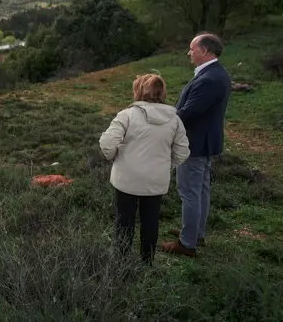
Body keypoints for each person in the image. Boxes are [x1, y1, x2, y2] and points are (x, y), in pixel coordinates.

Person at [99, 74, 190, 264]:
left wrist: (114, 158)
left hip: (126, 179)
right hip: (156, 179)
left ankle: (121, 262)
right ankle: (147, 262)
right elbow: (182, 151)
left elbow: (107, 143)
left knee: (124, 220)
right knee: (151, 220)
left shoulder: (127, 115)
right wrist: (166, 166)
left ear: (138, 91)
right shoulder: (174, 120)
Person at [161, 33, 231, 258]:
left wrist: (162, 122)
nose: (189, 53)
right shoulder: (215, 73)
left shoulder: (209, 79)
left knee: (189, 192)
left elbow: (188, 113)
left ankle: (187, 243)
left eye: (192, 49)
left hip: (194, 143)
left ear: (205, 51)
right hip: (205, 141)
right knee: (200, 190)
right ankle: (195, 232)